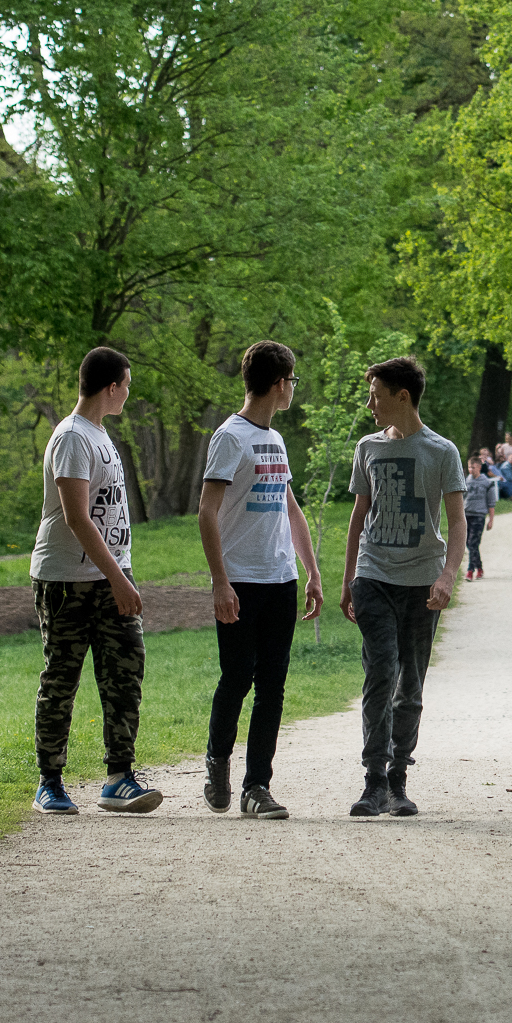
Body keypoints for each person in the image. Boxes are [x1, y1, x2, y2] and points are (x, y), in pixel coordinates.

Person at [30, 346, 163, 816]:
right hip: (67, 580)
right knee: (62, 679)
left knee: (125, 672)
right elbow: (76, 517)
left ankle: (118, 779)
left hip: (111, 577)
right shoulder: (72, 437)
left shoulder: (99, 434)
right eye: (126, 385)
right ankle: (49, 783)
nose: (128, 393)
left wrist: (120, 574)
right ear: (111, 387)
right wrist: (118, 578)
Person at [198, 341, 322, 820]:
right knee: (236, 678)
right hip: (241, 580)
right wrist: (220, 581)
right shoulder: (230, 437)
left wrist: (311, 571)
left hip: (280, 580)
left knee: (273, 685)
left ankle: (257, 787)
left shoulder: (276, 439)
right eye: (292, 381)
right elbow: (207, 512)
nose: (293, 389)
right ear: (278, 383)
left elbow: (290, 508)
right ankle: (217, 760)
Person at [341, 356, 466, 818]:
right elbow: (359, 516)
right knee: (381, 671)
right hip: (374, 575)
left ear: (403, 397)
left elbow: (457, 522)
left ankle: (398, 779)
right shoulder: (368, 448)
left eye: (376, 395)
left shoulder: (442, 451)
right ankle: (373, 780)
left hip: (421, 583)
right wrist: (349, 578)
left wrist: (447, 575)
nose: (369, 404)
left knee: (410, 683)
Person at [464, 456, 497, 580]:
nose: (471, 470)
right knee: (468, 543)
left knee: (473, 543)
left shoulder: (487, 483)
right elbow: (461, 498)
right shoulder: (466, 481)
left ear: (479, 467)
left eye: (473, 467)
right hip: (467, 514)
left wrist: (491, 520)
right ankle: (479, 567)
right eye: (469, 467)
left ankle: (470, 570)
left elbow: (491, 503)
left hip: (479, 516)